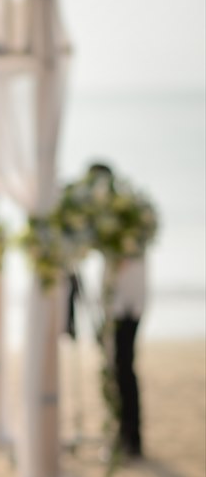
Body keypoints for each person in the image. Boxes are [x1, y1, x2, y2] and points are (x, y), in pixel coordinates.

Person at [90, 162, 147, 459]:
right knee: (116, 367)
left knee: (123, 367)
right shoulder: (115, 217)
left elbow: (128, 259)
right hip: (115, 303)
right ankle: (123, 433)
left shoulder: (128, 217)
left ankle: (131, 437)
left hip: (127, 304)